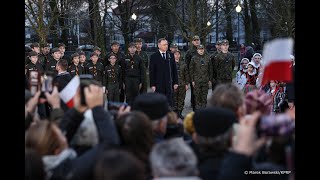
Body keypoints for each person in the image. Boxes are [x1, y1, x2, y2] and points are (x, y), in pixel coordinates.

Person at [25, 84, 120, 180]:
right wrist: (97, 108)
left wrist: (77, 110)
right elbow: (110, 145)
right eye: (60, 134)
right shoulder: (66, 173)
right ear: (57, 151)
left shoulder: (43, 162)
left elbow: (63, 131)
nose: (62, 131)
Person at [149, 38, 178, 107]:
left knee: (169, 103)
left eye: (167, 44)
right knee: (159, 103)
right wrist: (152, 85)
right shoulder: (154, 56)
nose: (166, 46)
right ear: (159, 45)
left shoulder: (170, 55)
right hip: (159, 84)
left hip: (169, 84)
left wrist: (176, 82)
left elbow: (174, 70)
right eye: (164, 45)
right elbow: (152, 72)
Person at [189, 44, 212, 110]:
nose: (201, 50)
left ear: (204, 50)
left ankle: (203, 111)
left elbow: (210, 69)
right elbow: (191, 70)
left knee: (204, 97)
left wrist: (210, 80)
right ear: (197, 50)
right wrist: (192, 80)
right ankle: (198, 112)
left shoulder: (208, 58)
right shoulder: (193, 58)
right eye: (199, 49)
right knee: (197, 97)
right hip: (196, 81)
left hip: (205, 80)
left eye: (202, 49)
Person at [185, 35, 202, 110]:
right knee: (194, 91)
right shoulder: (189, 52)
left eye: (198, 40)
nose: (197, 41)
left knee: (202, 90)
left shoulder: (203, 50)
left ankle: (200, 104)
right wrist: (189, 76)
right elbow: (187, 64)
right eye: (195, 40)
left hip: (203, 74)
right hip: (194, 75)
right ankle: (194, 104)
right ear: (192, 42)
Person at [173, 50, 189, 119]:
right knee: (174, 99)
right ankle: (174, 114)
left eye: (178, 54)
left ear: (180, 55)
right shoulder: (170, 64)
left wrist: (186, 84)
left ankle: (179, 113)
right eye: (175, 54)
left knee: (181, 99)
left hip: (182, 84)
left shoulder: (183, 64)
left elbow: (186, 74)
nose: (177, 55)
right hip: (173, 85)